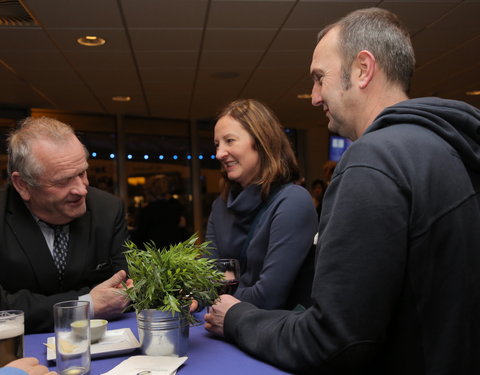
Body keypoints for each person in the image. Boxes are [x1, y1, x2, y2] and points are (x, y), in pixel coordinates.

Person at [204, 7, 480, 374]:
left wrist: (237, 318)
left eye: (320, 78)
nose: (315, 96)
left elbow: (334, 342)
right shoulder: (448, 147)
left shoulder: (373, 162)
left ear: (363, 69)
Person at [0, 117, 132, 334]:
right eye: (63, 181)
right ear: (22, 184)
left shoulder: (107, 210)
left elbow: (124, 290)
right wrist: (85, 304)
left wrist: (30, 303)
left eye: (82, 173)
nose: (81, 189)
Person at [206, 99, 318, 310]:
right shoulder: (220, 206)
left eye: (229, 141)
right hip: (225, 330)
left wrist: (221, 289)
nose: (219, 153)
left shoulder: (293, 202)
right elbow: (202, 283)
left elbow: (269, 298)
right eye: (217, 144)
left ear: (261, 142)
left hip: (270, 335)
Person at [132, 174, 189, 250]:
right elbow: (183, 232)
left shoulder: (147, 211)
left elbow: (139, 236)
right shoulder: (176, 208)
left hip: (153, 254)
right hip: (173, 253)